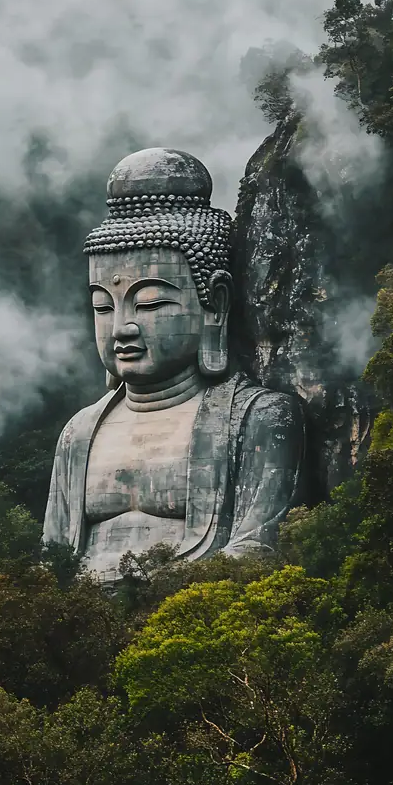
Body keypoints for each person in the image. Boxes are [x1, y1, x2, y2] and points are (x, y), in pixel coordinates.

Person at [43, 148, 305, 583]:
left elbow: (258, 549)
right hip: (76, 631)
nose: (122, 327)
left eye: (149, 303)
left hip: (194, 625)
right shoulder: (79, 433)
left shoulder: (258, 418)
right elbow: (51, 560)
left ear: (215, 305)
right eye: (103, 306)